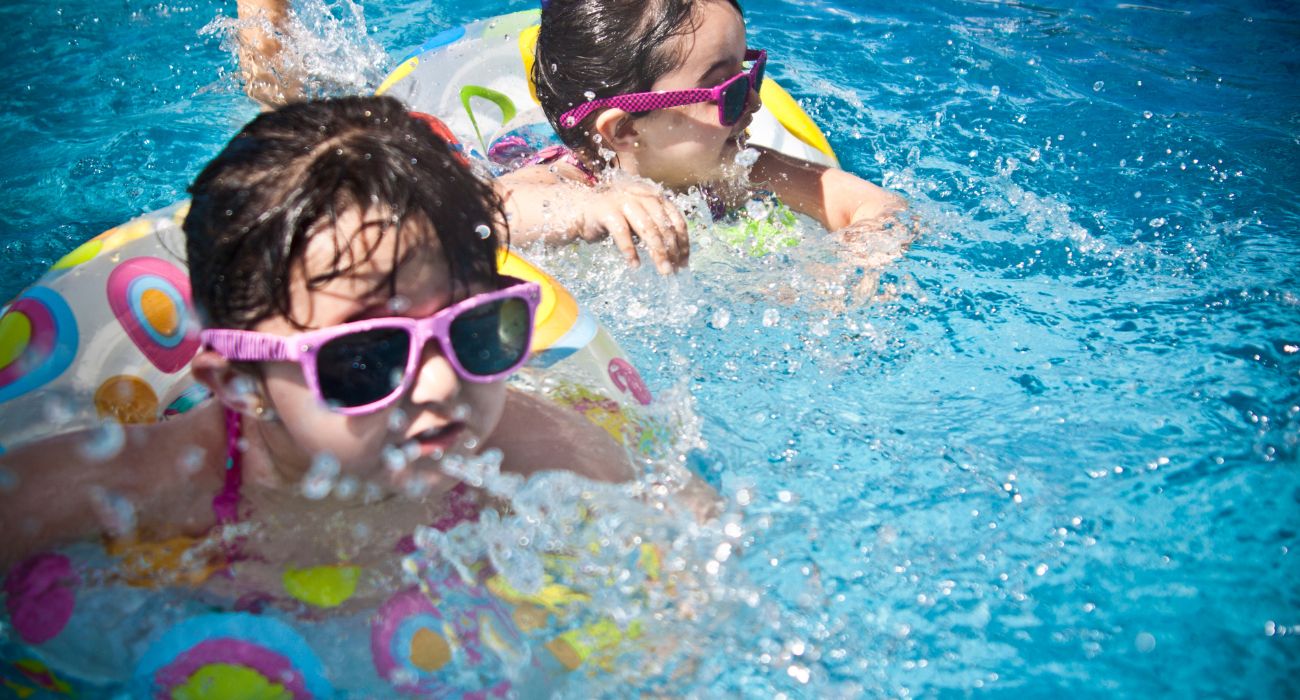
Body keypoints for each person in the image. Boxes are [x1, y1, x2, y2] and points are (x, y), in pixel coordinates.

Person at [0, 95, 632, 575]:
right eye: (367, 357)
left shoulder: (537, 454)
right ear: (240, 383)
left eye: (474, 332)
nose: (443, 384)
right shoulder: (135, 490)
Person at [233, 0, 905, 276]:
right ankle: (268, 40)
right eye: (728, 90)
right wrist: (583, 211)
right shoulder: (568, 179)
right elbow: (475, 221)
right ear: (620, 131)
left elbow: (873, 207)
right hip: (499, 159)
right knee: (290, 111)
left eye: (752, 72)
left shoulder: (747, 166)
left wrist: (858, 269)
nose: (753, 103)